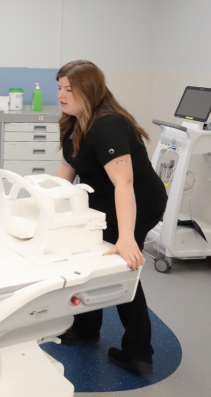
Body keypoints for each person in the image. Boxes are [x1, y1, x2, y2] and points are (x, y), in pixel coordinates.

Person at [53, 60, 167, 375]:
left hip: (137, 202)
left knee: (120, 267)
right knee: (89, 260)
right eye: (60, 88)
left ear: (88, 91)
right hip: (104, 203)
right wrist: (48, 210)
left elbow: (125, 183)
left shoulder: (107, 125)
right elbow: (65, 173)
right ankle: (87, 328)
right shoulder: (74, 121)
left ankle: (138, 352)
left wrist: (126, 237)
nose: (62, 95)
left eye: (69, 89)